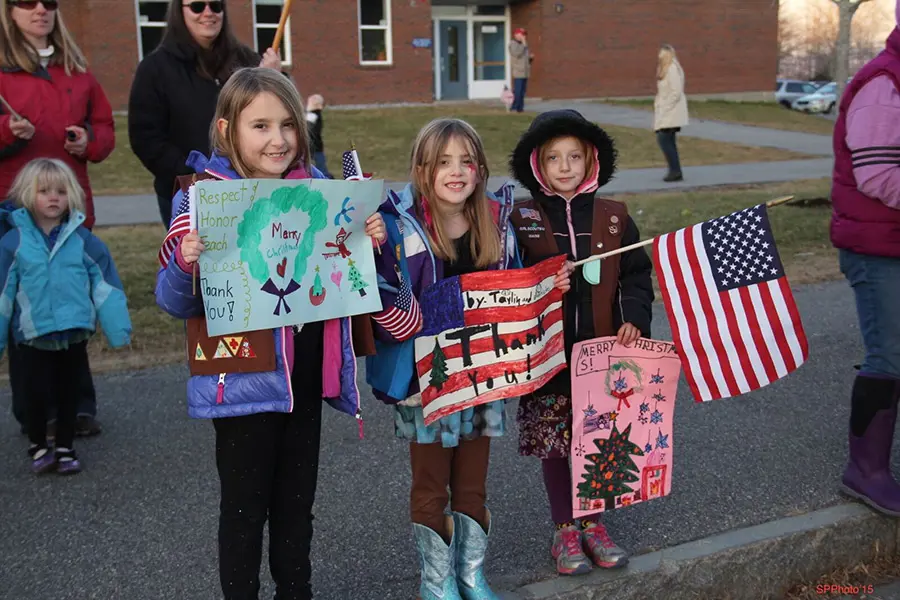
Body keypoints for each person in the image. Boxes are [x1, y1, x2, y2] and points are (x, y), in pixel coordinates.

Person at [154, 67, 384, 600]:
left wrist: (368, 239)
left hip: (302, 377)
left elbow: (347, 281)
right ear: (226, 128)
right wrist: (186, 261)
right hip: (243, 383)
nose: (277, 139)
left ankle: (295, 591)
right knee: (243, 506)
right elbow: (172, 301)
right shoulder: (200, 199)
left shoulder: (320, 194)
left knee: (296, 504)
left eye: (287, 125)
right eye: (260, 126)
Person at [366, 118, 563, 600]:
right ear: (421, 169)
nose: (456, 172)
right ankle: (437, 582)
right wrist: (369, 248)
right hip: (426, 382)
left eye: (467, 161)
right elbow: (374, 294)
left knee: (473, 485)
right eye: (443, 162)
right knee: (432, 486)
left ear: (480, 170)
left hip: (481, 377)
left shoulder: (495, 223)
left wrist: (547, 286)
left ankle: (471, 574)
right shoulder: (396, 229)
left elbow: (515, 287)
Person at [508, 109, 654, 575]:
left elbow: (636, 276)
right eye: (554, 158)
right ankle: (564, 528)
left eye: (574, 156)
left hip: (602, 353)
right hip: (546, 356)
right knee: (556, 442)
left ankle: (594, 523)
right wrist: (542, 281)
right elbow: (506, 279)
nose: (565, 166)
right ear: (538, 164)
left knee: (598, 439)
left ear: (591, 160)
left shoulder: (614, 218)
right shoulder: (522, 218)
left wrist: (633, 318)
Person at [0, 0, 114, 436]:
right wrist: (9, 132)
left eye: (49, 2)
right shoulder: (5, 72)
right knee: (25, 318)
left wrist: (88, 141)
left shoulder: (77, 71)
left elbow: (105, 132)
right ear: (9, 12)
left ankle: (77, 406)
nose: (40, 10)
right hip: (15, 215)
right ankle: (36, 412)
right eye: (27, 2)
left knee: (73, 308)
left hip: (70, 215)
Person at [0, 158, 131, 474]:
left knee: (68, 392)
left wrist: (117, 329)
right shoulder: (13, 242)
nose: (53, 197)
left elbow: (105, 285)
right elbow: (3, 293)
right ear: (28, 195)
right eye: (44, 191)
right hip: (33, 335)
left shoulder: (83, 240)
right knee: (35, 395)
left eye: (60, 191)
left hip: (73, 331)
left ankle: (65, 446)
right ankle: (38, 444)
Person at [831, 2, 900, 517]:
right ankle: (867, 471)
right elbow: (878, 177)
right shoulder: (883, 84)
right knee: (890, 355)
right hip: (878, 249)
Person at [128, 0, 281, 226]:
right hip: (188, 193)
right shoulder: (155, 69)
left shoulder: (247, 62)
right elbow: (146, 138)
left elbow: (275, 119)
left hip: (247, 190)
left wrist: (272, 81)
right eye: (198, 6)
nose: (208, 13)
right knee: (196, 260)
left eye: (216, 5)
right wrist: (195, 176)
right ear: (180, 12)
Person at [654, 44, 688, 182]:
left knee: (664, 140)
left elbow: (676, 92)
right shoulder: (666, 69)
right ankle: (675, 170)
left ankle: (675, 171)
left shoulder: (672, 69)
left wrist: (665, 107)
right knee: (668, 141)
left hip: (670, 112)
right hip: (666, 112)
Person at [305, 93, 333, 178]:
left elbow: (307, 130)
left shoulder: (312, 115)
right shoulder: (317, 114)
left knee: (320, 168)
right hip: (316, 145)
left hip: (313, 145)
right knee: (320, 165)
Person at [508, 27, 532, 113]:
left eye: (524, 34)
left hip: (525, 72)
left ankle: (519, 108)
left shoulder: (523, 45)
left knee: (522, 91)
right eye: (521, 34)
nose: (523, 36)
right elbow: (517, 54)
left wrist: (530, 58)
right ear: (516, 35)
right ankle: (516, 108)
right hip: (518, 71)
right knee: (518, 91)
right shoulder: (513, 44)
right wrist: (524, 44)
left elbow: (525, 58)